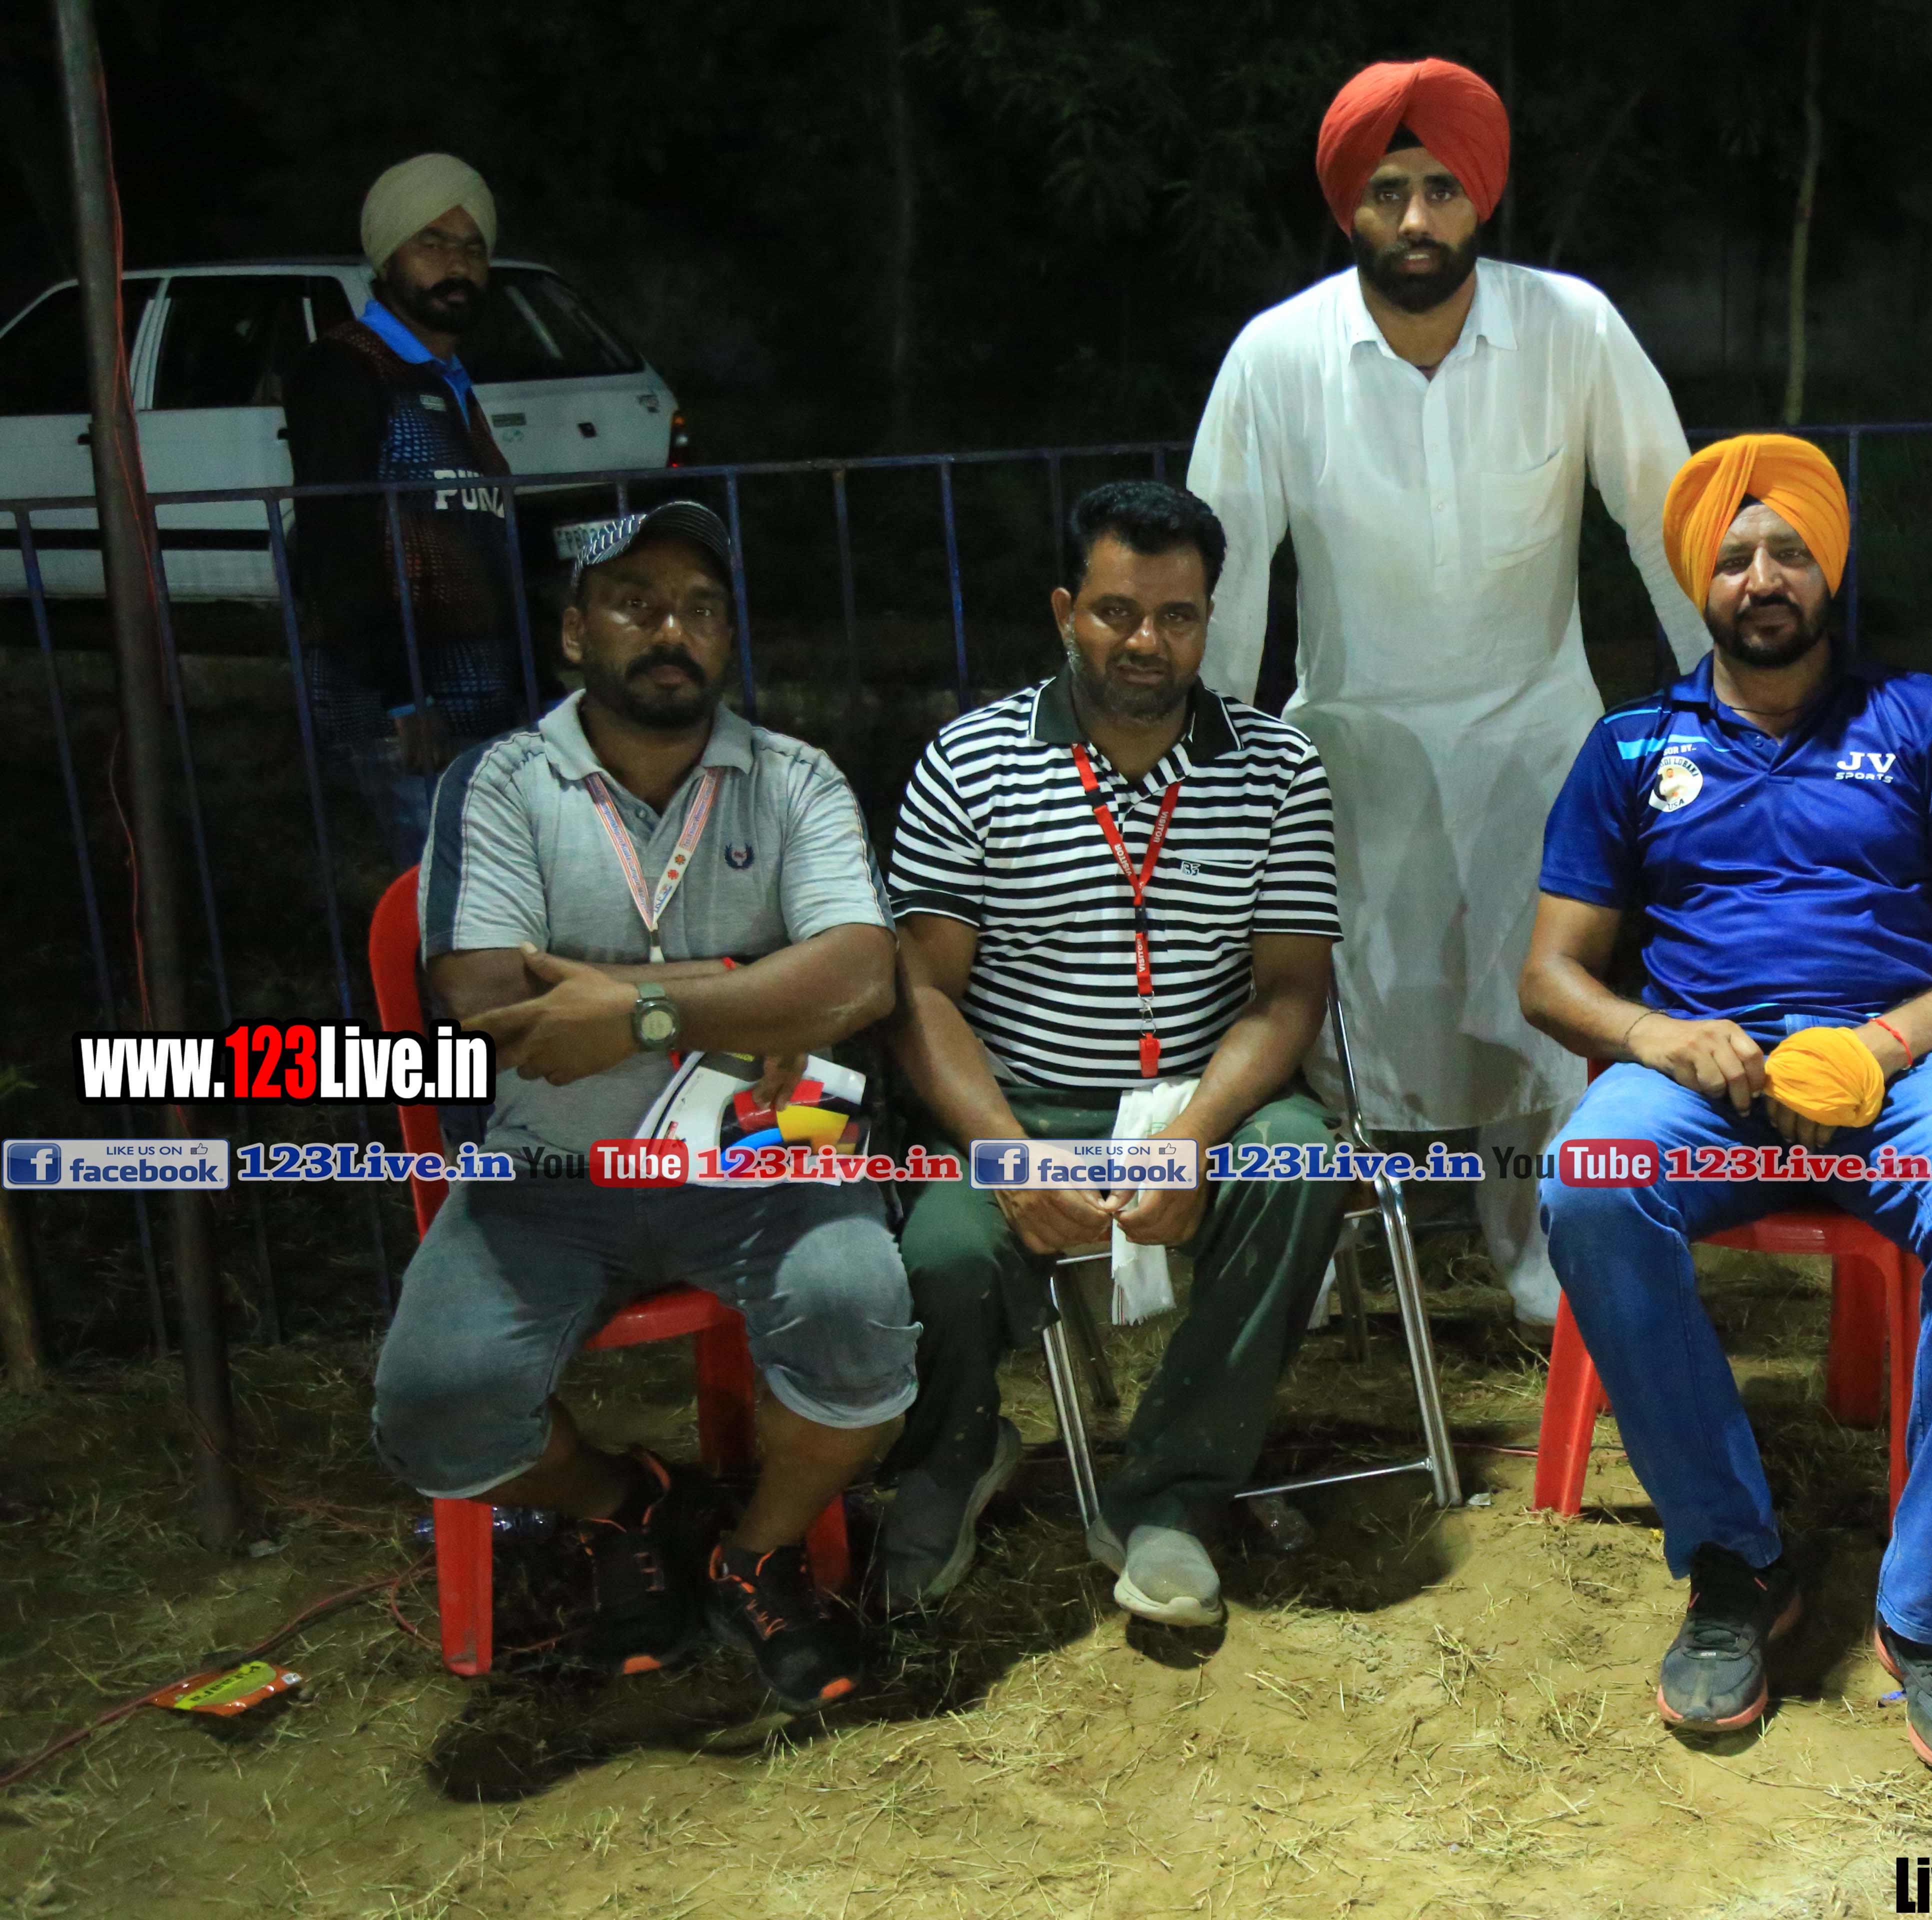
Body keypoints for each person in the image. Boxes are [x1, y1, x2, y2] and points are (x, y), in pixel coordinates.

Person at [1522, 434, 1932, 1770]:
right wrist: (1657, 1035)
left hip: (1907, 1067)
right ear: (1695, 580)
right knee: (1586, 1184)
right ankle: (1734, 1560)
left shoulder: (1926, 720)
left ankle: (1931, 1614)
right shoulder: (1632, 744)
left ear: (1830, 569)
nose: (1763, 578)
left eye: (1790, 553)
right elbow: (1549, 976)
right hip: (1710, 1075)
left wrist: (1883, 1045)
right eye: (1734, 557)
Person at [1185, 58, 1706, 1326]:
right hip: (1347, 755)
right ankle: (1321, 1248)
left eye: (1439, 190)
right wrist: (1210, 756)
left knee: (1542, 1012)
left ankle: (1541, 1252)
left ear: (1482, 195)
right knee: (1337, 1010)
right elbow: (1223, 573)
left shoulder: (1573, 327)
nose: (1414, 220)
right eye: (1385, 193)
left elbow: (1671, 523)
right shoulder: (1277, 356)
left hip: (1540, 744)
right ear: (1346, 208)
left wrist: (1727, 709)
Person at [372, 500, 914, 1712]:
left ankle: (755, 1551)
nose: (674, 631)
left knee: (862, 1316)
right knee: (436, 1411)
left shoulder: (795, 780)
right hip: (550, 1178)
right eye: (637, 604)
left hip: (769, 1158)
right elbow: (482, 991)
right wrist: (752, 987)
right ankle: (627, 1502)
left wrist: (638, 1012)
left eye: (702, 610)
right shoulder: (505, 782)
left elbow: (858, 977)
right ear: (575, 632)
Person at [880, 481, 1344, 1628]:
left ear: (1209, 620)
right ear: (1065, 612)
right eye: (1117, 612)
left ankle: (1170, 1497)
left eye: (1178, 616)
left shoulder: (1278, 768)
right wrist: (1009, 1156)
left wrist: (1192, 1137)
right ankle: (951, 1458)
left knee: (1299, 1160)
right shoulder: (970, 761)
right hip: (1020, 1105)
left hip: (1206, 1100)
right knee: (942, 1252)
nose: (1147, 642)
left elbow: (1291, 991)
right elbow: (920, 994)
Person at [282, 152, 526, 869]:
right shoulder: (344, 368)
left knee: (499, 906)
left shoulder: (449, 381)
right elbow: (334, 538)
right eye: (433, 243)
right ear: (387, 258)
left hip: (481, 707)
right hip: (406, 714)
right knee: (447, 909)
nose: (457, 265)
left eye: (473, 248)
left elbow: (484, 538)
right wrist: (400, 694)